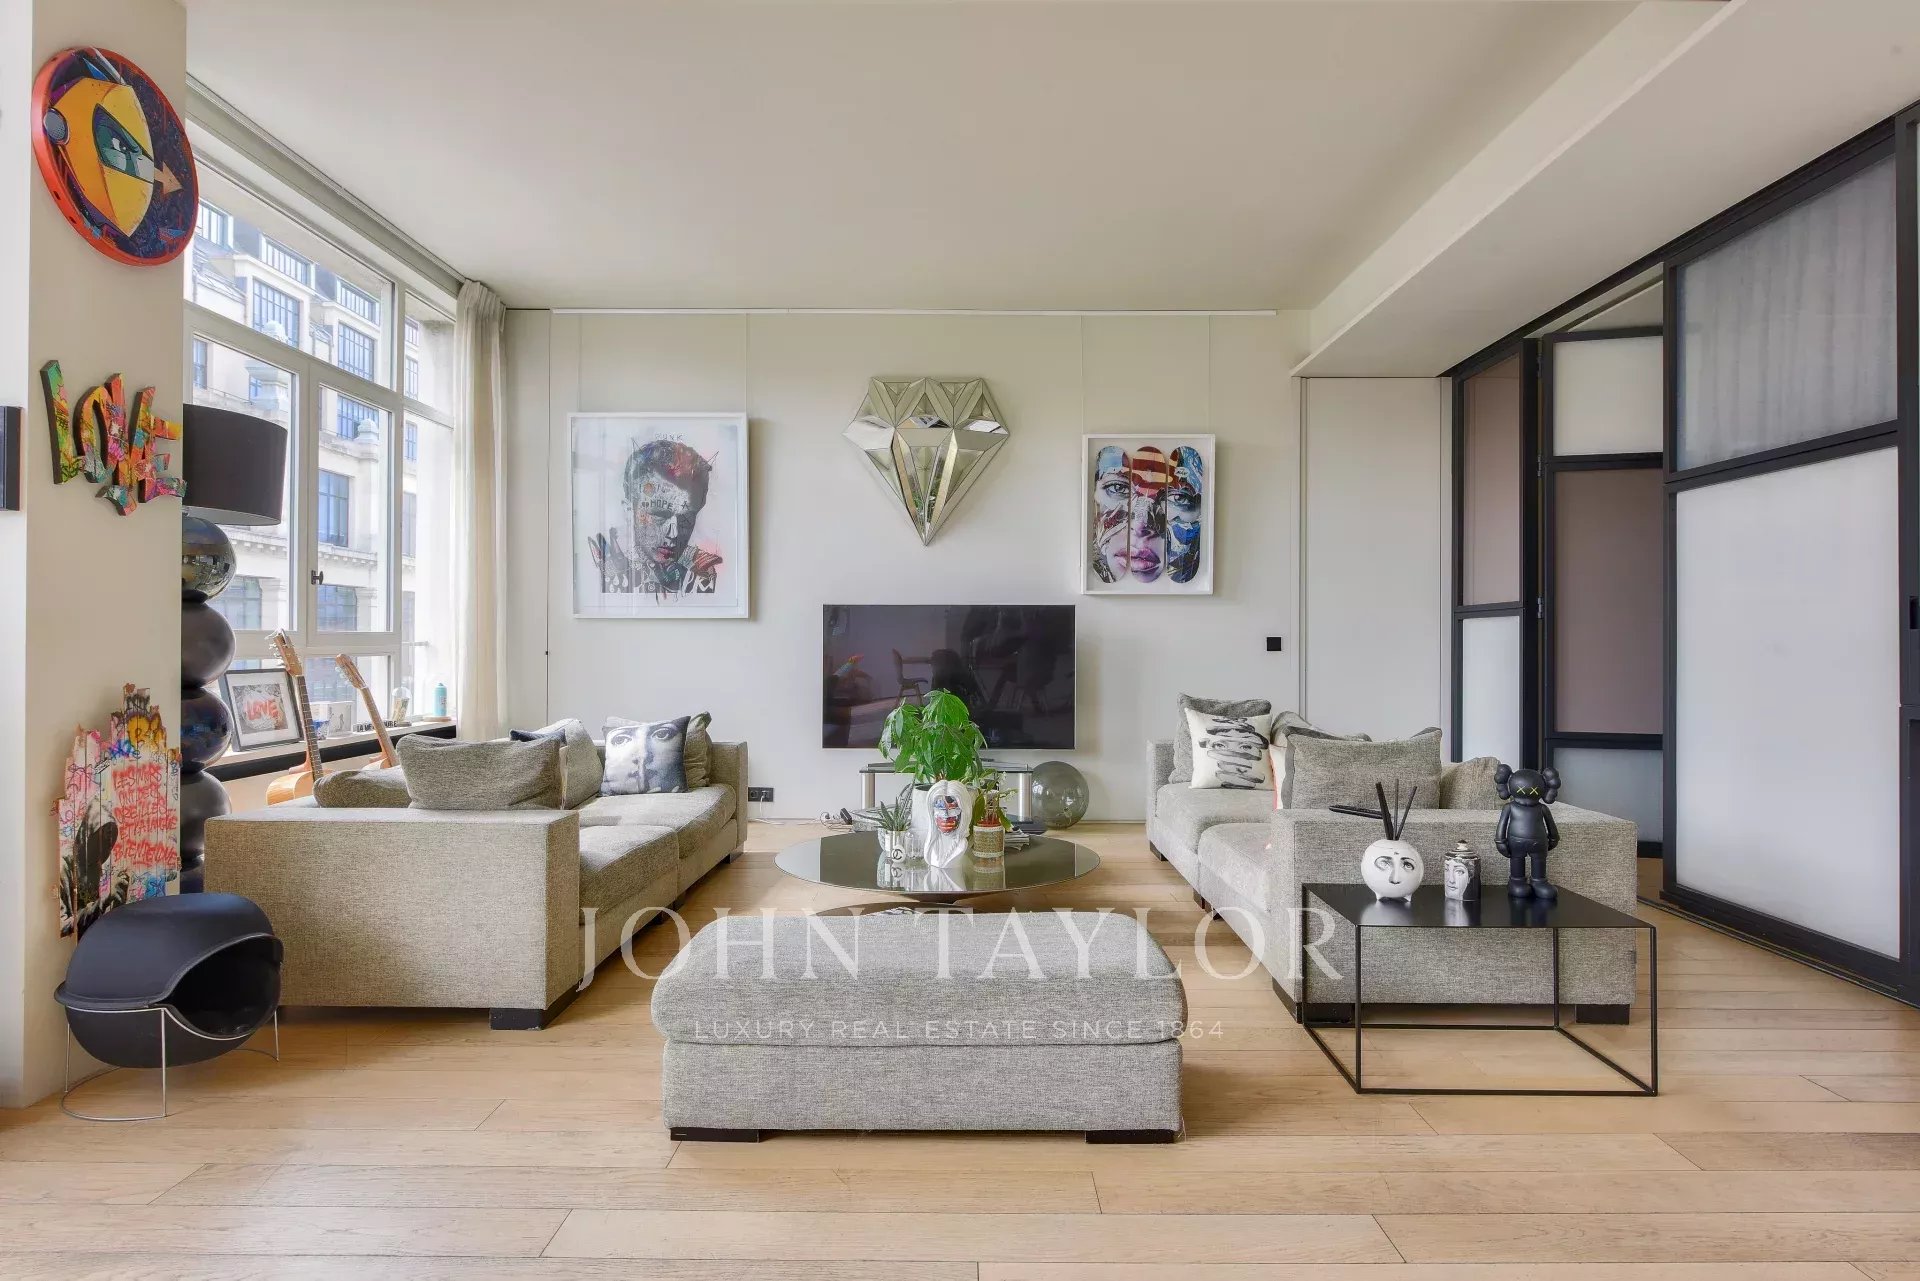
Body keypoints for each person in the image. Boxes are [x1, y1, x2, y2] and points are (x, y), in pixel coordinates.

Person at [588, 438, 720, 596]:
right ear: (629, 511)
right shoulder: (609, 574)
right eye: (660, 517)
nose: (673, 533)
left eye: (685, 520)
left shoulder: (702, 577)